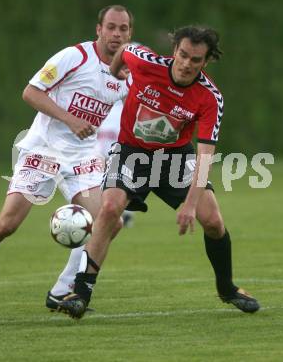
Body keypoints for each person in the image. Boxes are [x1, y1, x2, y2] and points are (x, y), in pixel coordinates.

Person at [0, 4, 133, 312]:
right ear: (99, 29)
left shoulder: (127, 75)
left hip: (82, 157)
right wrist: (70, 119)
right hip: (43, 150)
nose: (116, 34)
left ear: (129, 33)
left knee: (110, 222)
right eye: (111, 27)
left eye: (123, 28)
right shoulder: (75, 57)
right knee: (8, 223)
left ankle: (62, 291)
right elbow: (30, 92)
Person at [57, 26, 261, 319]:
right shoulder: (146, 62)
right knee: (110, 208)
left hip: (175, 158)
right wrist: (116, 74)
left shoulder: (210, 97)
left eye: (196, 60)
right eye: (184, 55)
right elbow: (124, 51)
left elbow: (204, 157)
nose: (187, 64)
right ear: (174, 50)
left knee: (214, 222)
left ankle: (227, 288)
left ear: (206, 62)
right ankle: (81, 292)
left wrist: (190, 205)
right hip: (130, 151)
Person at [94, 100, 135, 228]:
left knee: (120, 181)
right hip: (103, 149)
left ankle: (126, 213)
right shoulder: (103, 104)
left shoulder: (123, 106)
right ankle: (107, 211)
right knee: (107, 181)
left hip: (116, 148)